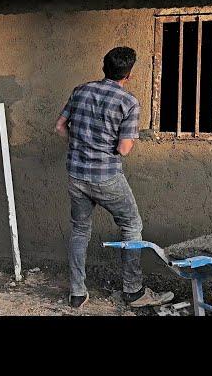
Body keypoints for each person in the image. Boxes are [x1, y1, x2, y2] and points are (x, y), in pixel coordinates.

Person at [55, 47, 174, 309]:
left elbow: (60, 126)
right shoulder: (128, 102)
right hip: (106, 176)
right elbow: (124, 149)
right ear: (128, 74)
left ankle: (77, 293)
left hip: (76, 174)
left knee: (79, 230)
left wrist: (78, 146)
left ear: (103, 67)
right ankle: (133, 292)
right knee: (131, 225)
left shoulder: (81, 90)